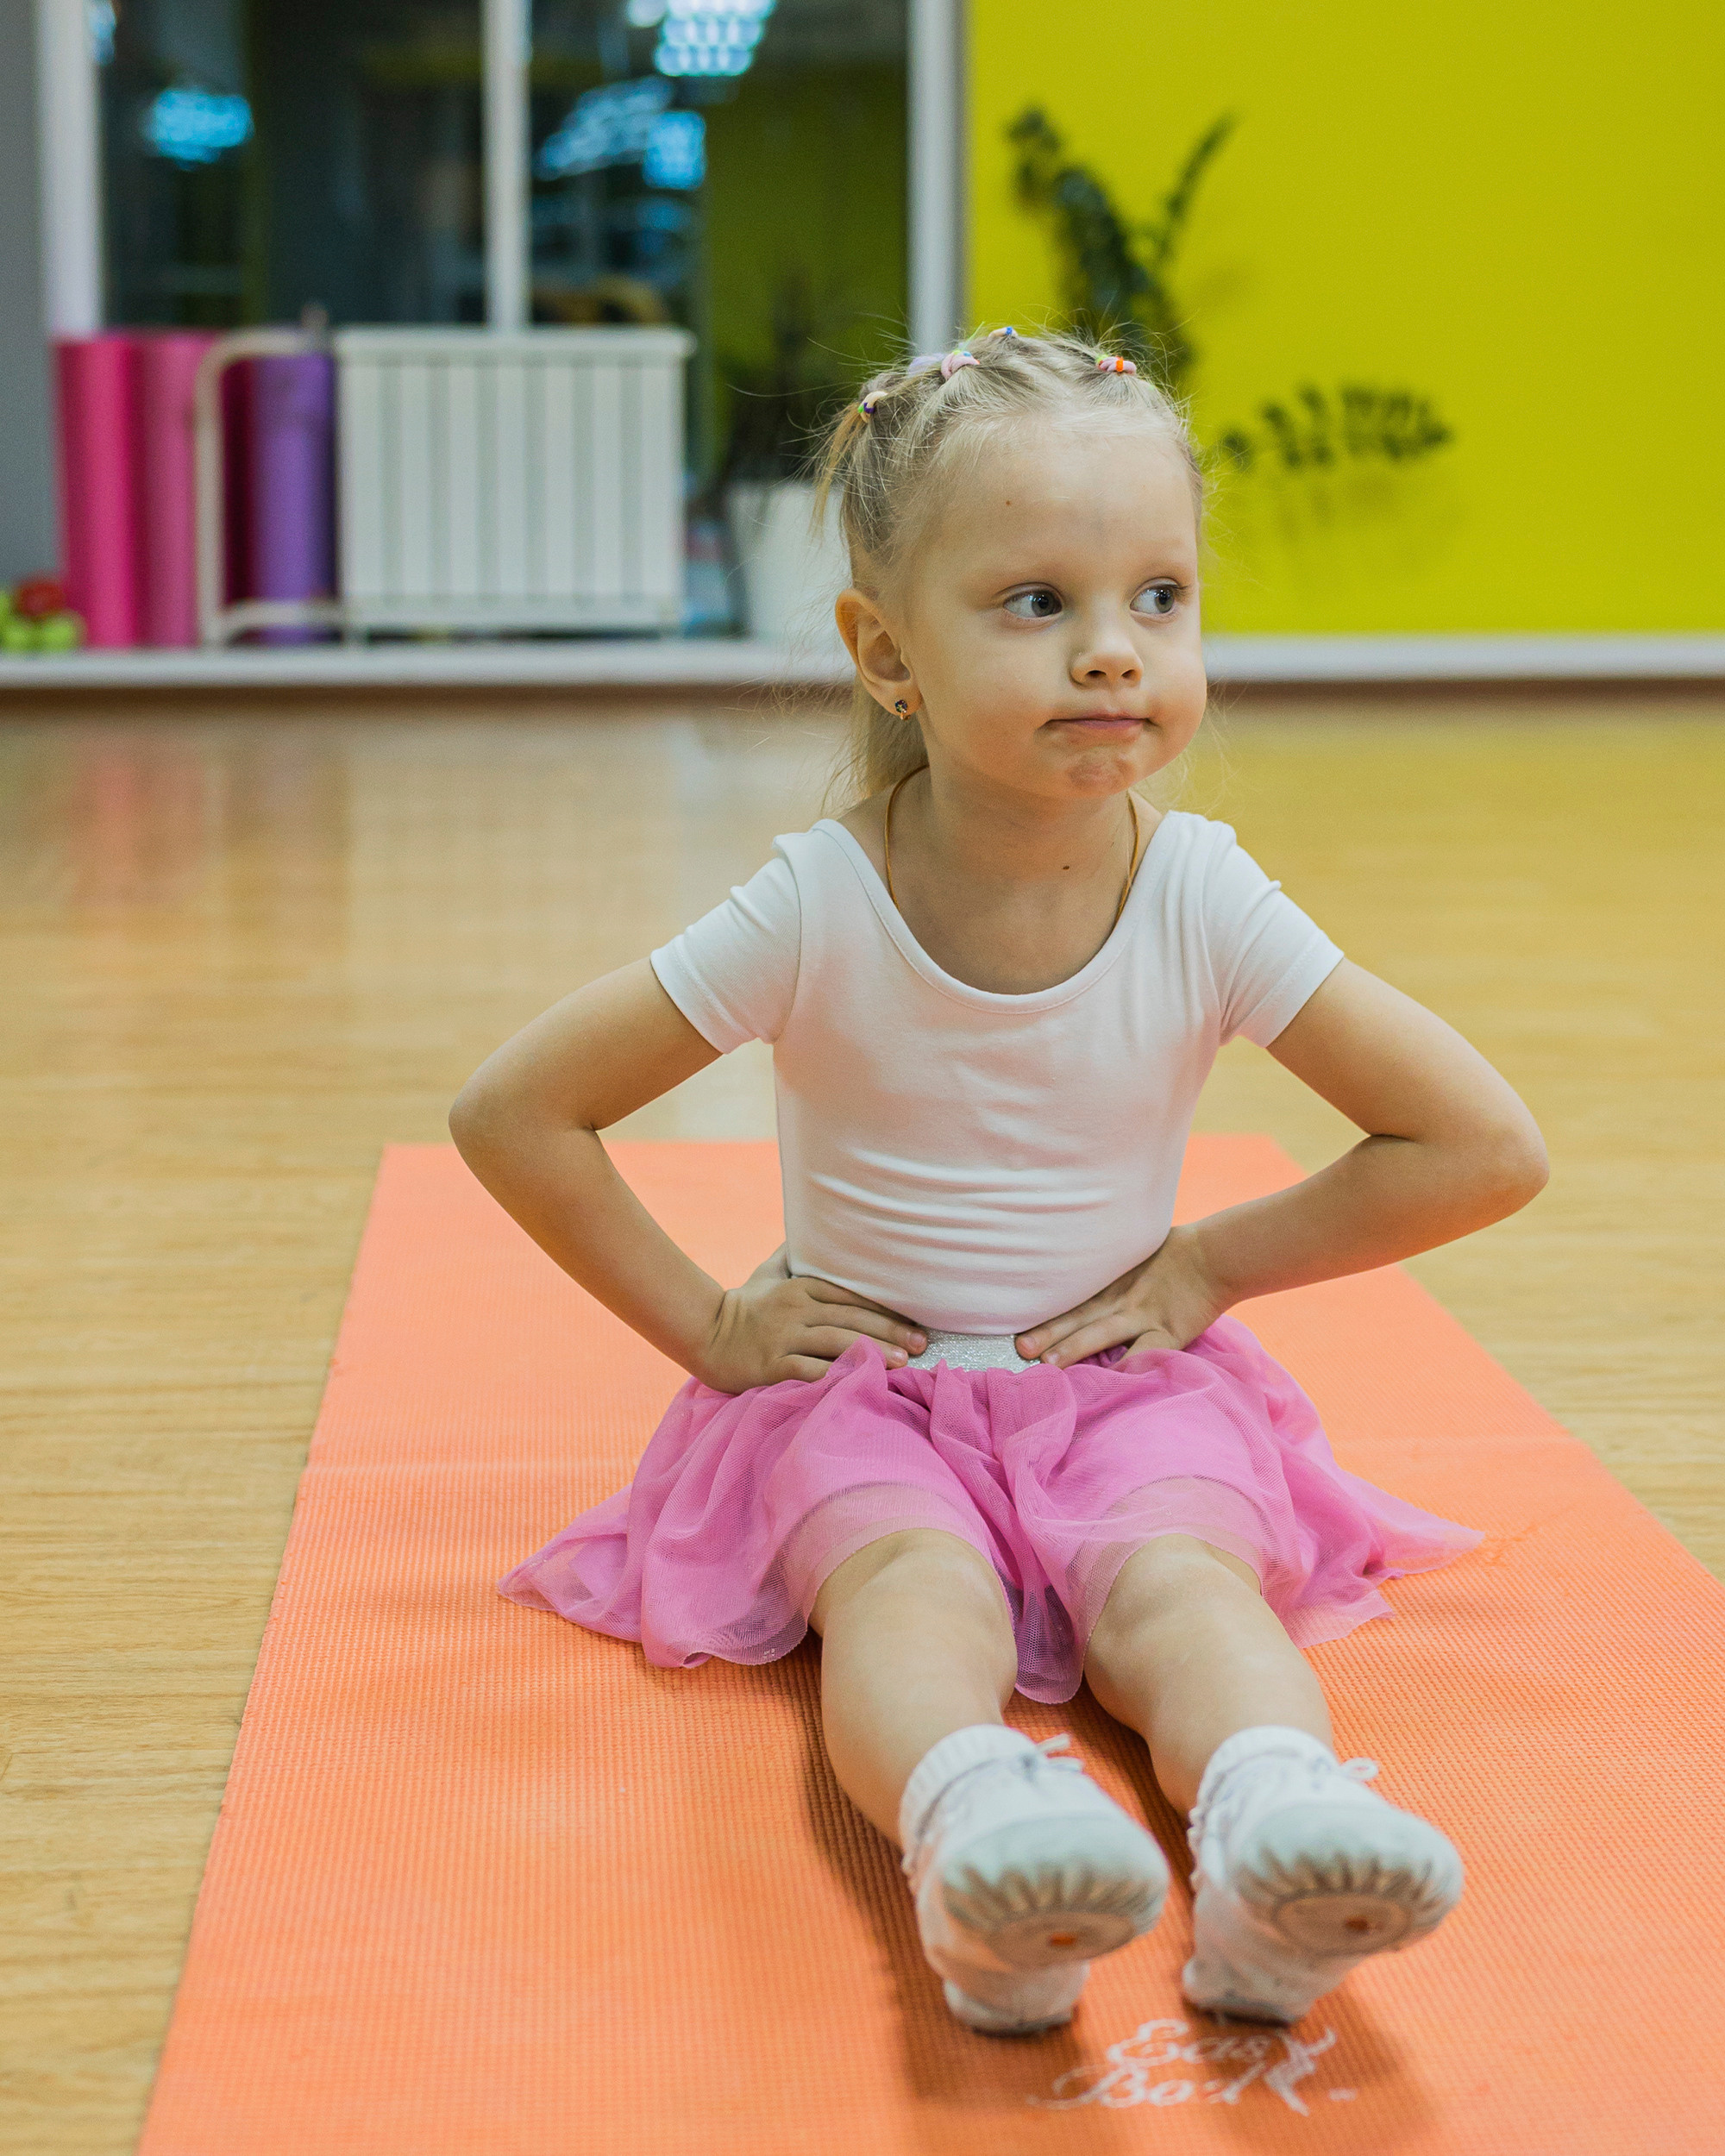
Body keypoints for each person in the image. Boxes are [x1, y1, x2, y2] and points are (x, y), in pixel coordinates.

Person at [449, 330, 1547, 2037]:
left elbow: (1482, 1144)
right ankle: (976, 1836)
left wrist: (1205, 1267)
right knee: (910, 1592)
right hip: (861, 1396)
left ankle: (1271, 1843)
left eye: (1160, 597)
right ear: (884, 655)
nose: (1115, 650)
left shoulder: (1204, 897)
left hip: (1115, 1382)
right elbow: (517, 1109)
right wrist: (716, 1329)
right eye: (1035, 601)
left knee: (1185, 1585)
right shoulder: (815, 903)